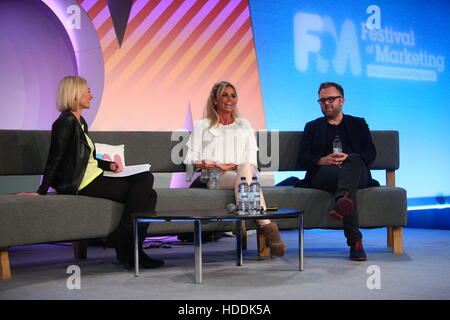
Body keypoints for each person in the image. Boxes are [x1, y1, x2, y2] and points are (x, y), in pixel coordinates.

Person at [17, 76, 163, 269]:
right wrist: (41, 190)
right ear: (75, 94)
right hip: (82, 182)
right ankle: (124, 241)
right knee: (147, 187)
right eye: (87, 91)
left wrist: (108, 165)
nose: (91, 95)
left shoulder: (80, 121)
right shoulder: (65, 122)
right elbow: (56, 158)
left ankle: (131, 249)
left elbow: (87, 157)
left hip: (95, 175)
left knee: (149, 191)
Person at [184, 81, 286, 256]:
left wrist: (232, 165)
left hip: (242, 172)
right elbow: (189, 160)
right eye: (224, 95)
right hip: (216, 176)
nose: (229, 99)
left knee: (246, 169)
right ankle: (268, 226)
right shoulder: (202, 125)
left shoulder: (244, 124)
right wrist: (204, 163)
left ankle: (245, 217)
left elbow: (252, 159)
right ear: (215, 100)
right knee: (248, 180)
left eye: (233, 95)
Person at [298, 82, 379, 261]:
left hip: (357, 173)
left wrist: (349, 158)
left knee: (354, 159)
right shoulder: (312, 127)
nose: (326, 103)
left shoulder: (358, 123)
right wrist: (322, 160)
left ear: (341, 100)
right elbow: (303, 157)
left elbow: (370, 154)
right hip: (326, 174)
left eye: (331, 99)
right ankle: (355, 239)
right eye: (322, 100)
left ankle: (344, 200)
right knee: (346, 185)